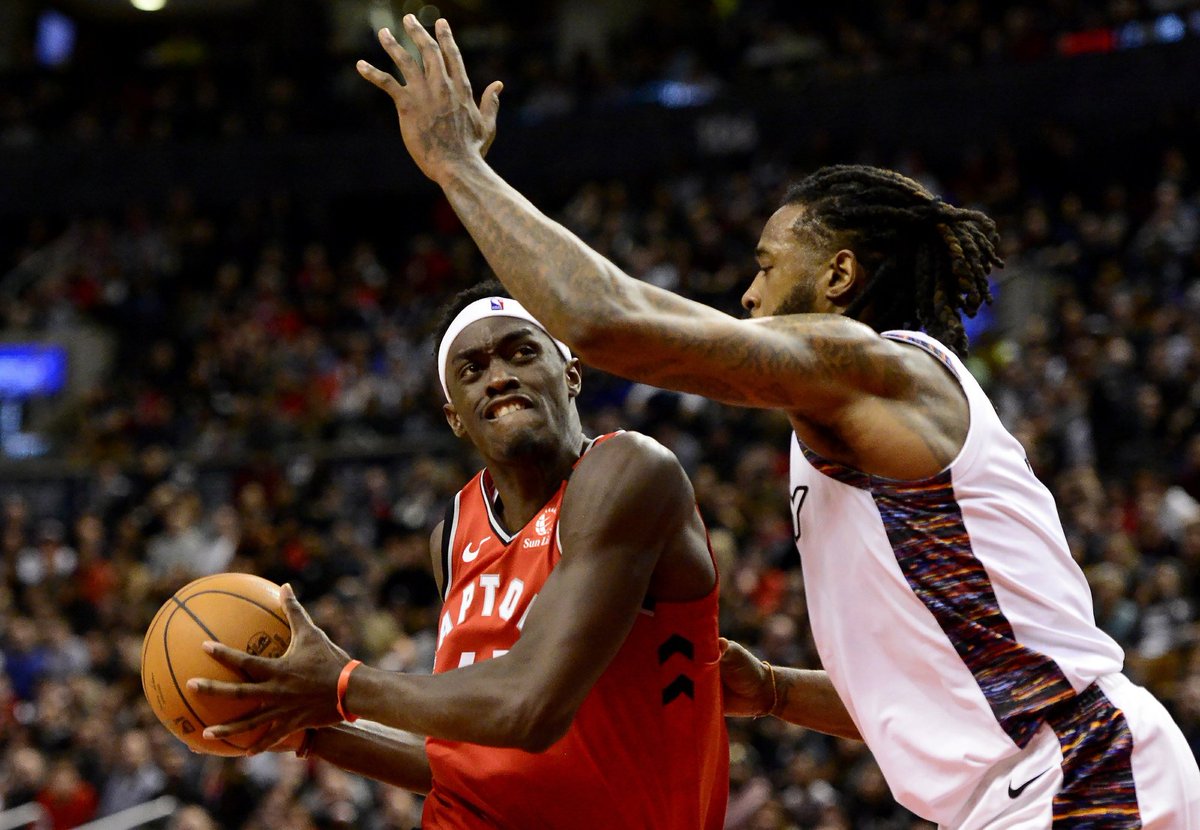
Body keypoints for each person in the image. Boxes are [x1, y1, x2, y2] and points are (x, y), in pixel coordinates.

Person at [353, 15, 1200, 828]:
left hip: (1076, 769)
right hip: (1031, 782)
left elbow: (603, 319)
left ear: (837, 277)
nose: (748, 294)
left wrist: (456, 166)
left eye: (765, 267)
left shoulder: (873, 366)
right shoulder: (854, 432)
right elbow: (945, 687)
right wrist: (776, 690)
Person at [189, 281, 729, 829]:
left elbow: (529, 707)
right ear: (454, 417)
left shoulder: (629, 472)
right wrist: (311, 732)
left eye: (522, 352)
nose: (498, 377)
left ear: (572, 374)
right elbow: (462, 761)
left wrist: (343, 684)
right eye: (472, 369)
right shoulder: (452, 533)